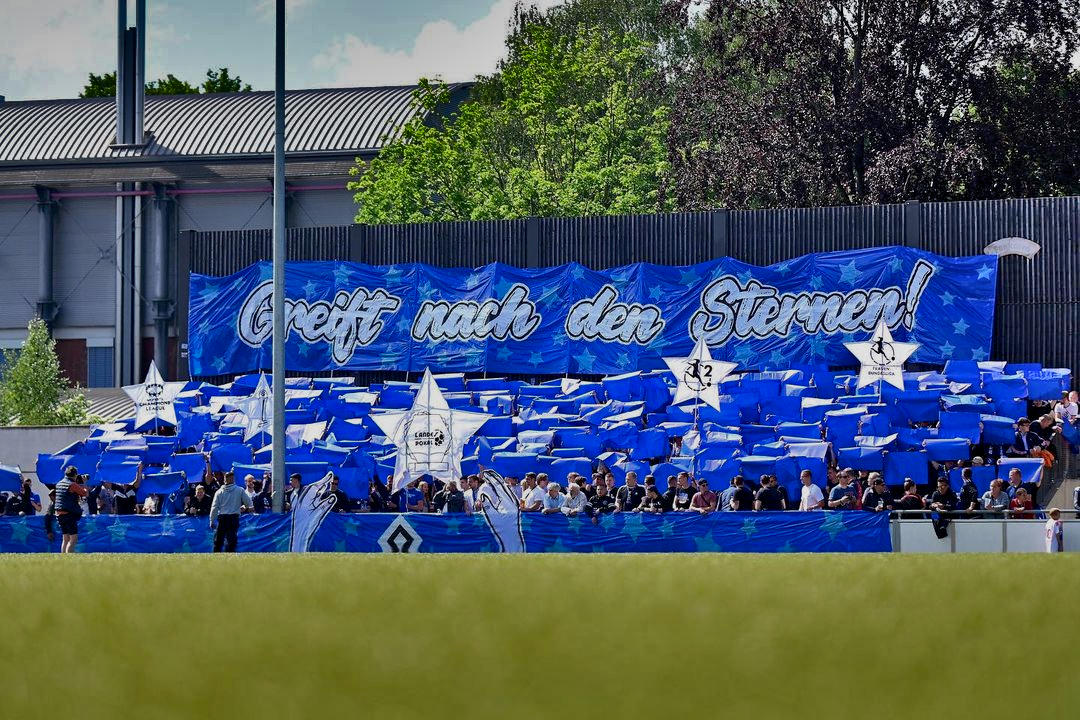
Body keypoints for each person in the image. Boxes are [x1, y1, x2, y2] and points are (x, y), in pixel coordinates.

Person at [208, 471, 253, 552]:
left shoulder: (219, 492)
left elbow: (214, 507)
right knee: (231, 539)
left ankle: (215, 558)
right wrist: (244, 507)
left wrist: (212, 520)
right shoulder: (240, 490)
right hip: (233, 517)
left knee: (218, 540)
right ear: (233, 479)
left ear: (225, 480)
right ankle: (230, 557)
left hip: (222, 518)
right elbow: (248, 503)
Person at [54, 466, 88, 553]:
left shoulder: (59, 483)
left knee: (65, 538)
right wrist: (84, 483)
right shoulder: (72, 484)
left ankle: (63, 558)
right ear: (75, 474)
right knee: (74, 538)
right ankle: (69, 557)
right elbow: (85, 493)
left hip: (58, 513)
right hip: (68, 514)